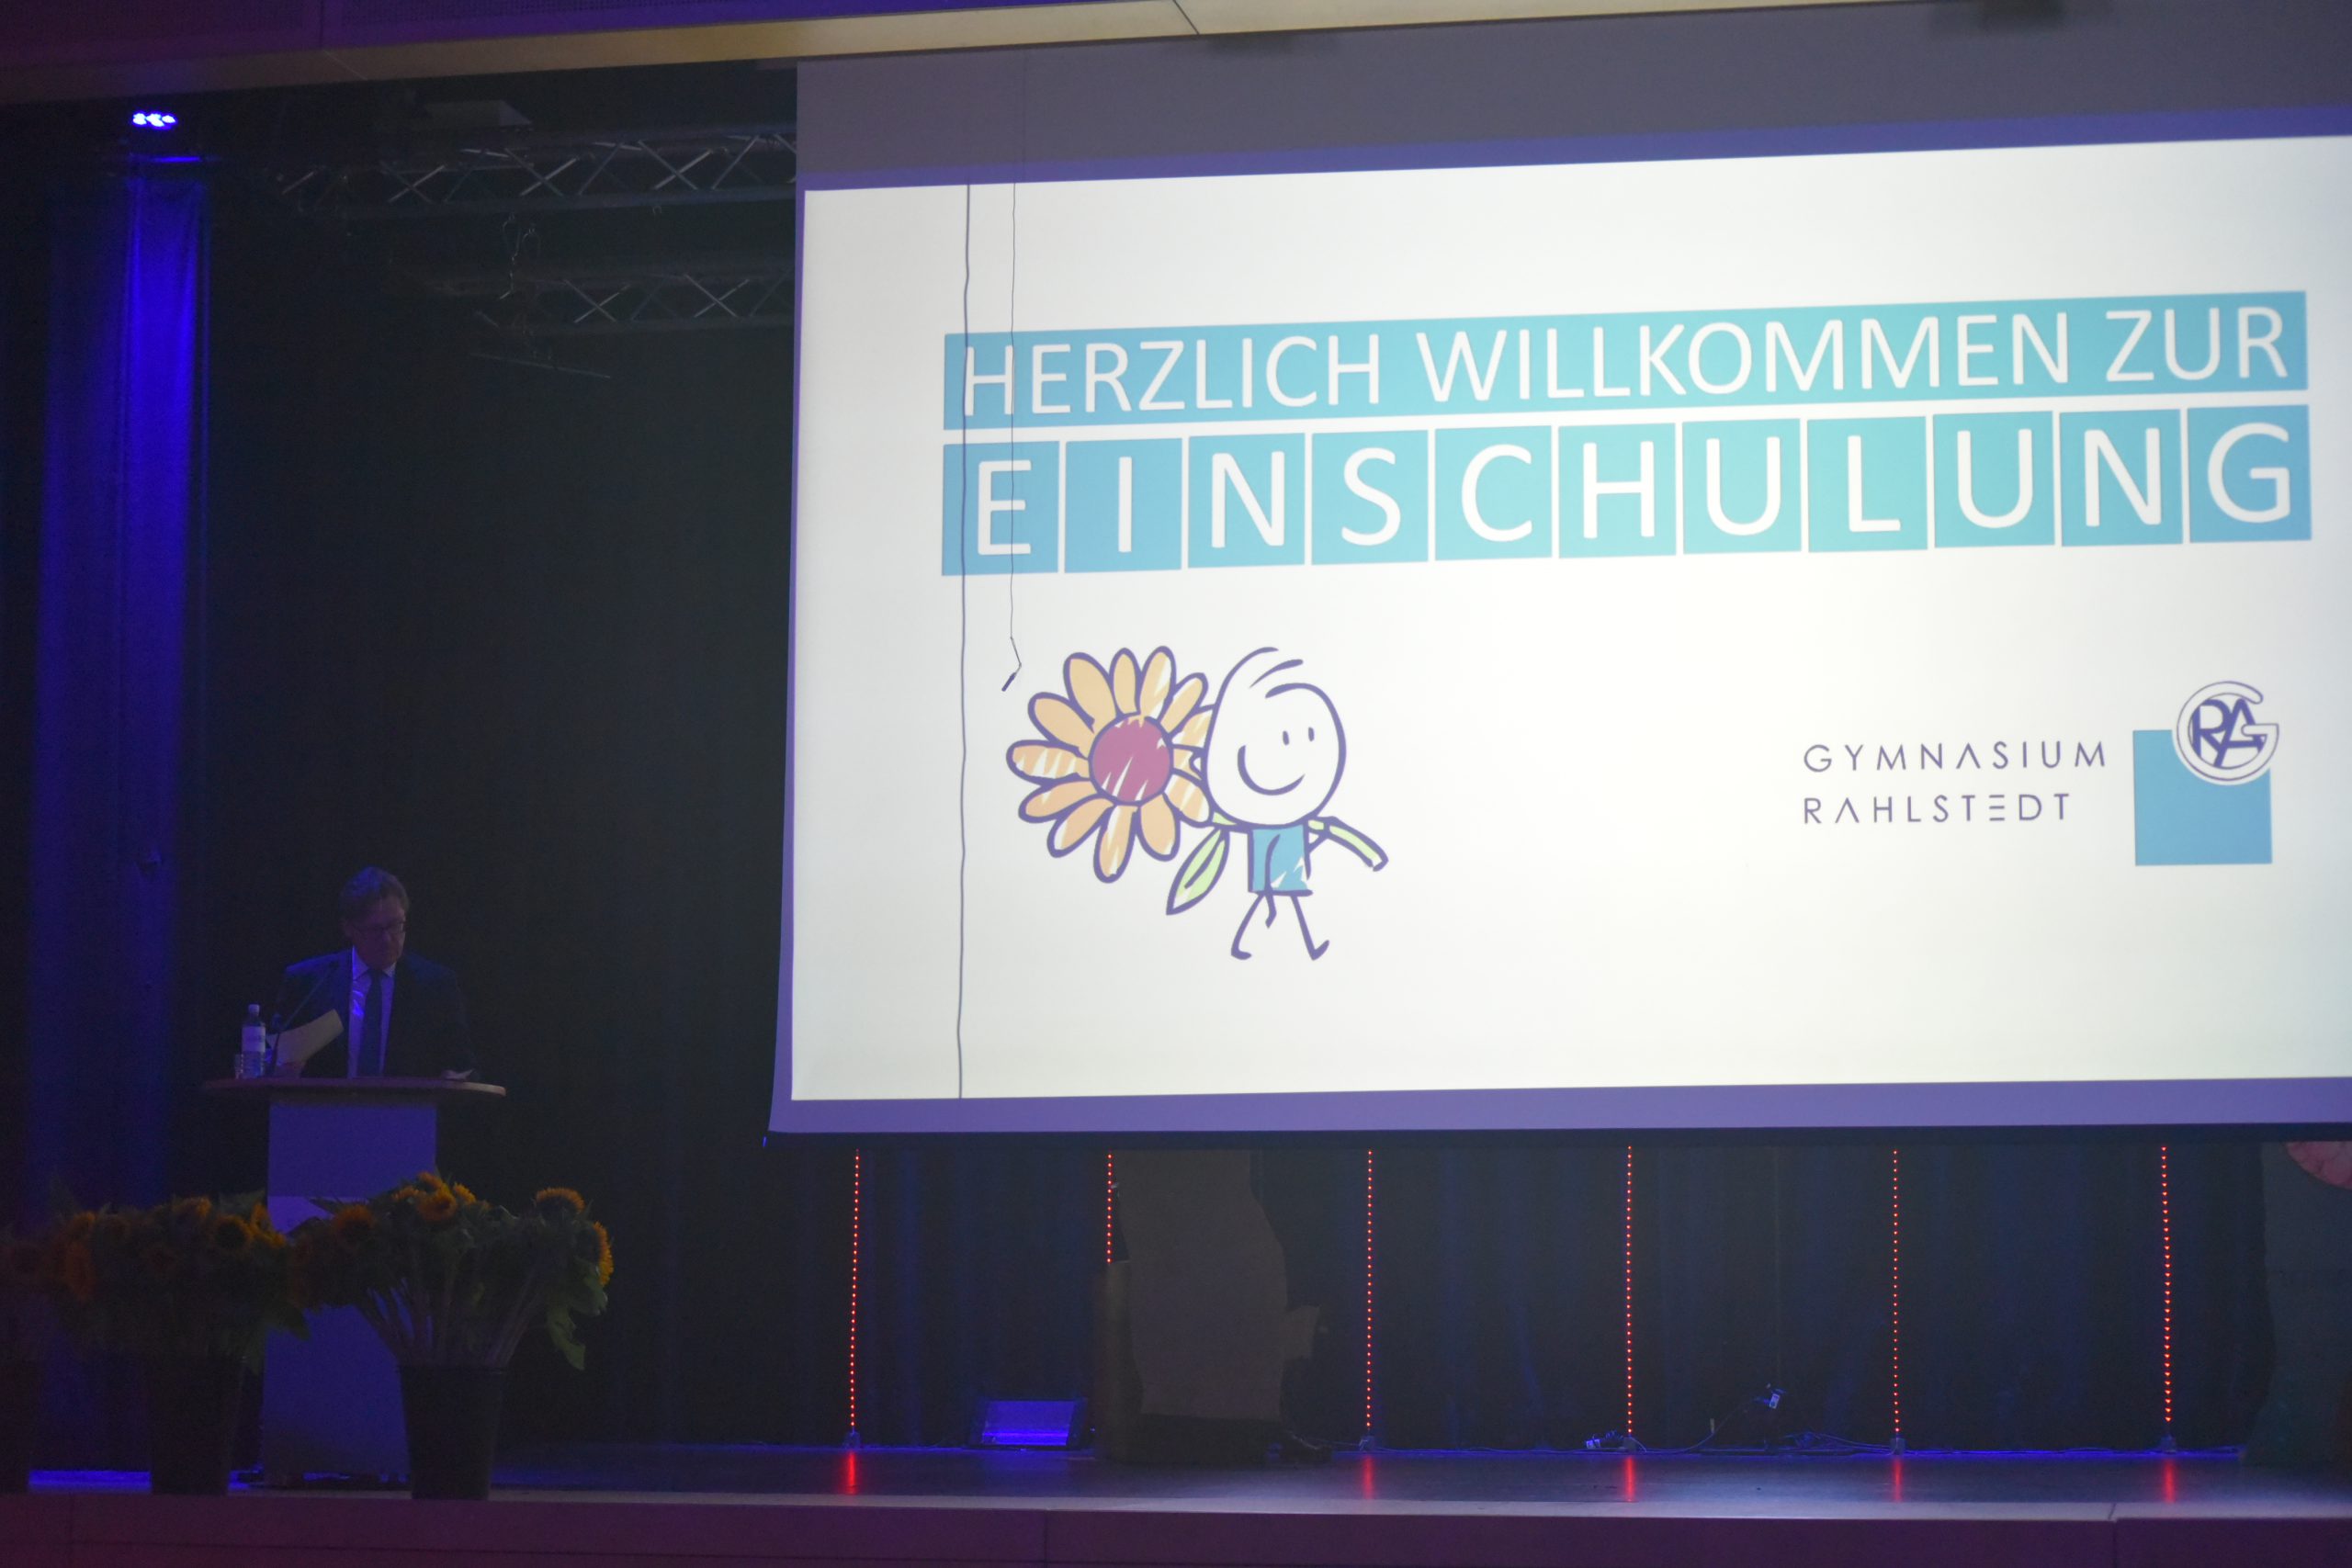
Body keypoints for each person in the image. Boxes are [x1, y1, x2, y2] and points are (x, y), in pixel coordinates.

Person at [270, 867, 472, 1078]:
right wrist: (281, 1069)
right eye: (375, 930)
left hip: (406, 1101)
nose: (387, 939)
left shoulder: (436, 986)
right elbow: (273, 1061)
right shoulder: (309, 983)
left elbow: (461, 1063)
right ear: (348, 928)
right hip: (325, 1100)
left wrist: (454, 1077)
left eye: (395, 926)